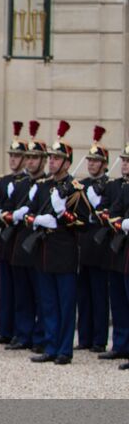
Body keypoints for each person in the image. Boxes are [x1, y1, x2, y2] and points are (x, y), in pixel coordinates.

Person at [26, 122, 94, 365]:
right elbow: (27, 214)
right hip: (44, 253)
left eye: (57, 158)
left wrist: (62, 215)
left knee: (65, 304)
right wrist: (37, 219)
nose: (52, 162)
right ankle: (51, 345)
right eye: (51, 158)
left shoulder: (75, 190)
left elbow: (85, 223)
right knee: (48, 303)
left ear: (67, 163)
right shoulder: (43, 187)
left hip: (65, 254)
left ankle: (64, 349)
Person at [0, 121, 28, 346]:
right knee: (6, 288)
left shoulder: (30, 182)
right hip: (6, 238)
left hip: (20, 239)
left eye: (17, 156)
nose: (13, 159)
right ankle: (5, 329)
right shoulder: (4, 181)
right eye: (11, 155)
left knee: (21, 289)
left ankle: (21, 332)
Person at [7, 120, 47, 351]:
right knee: (22, 294)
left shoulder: (46, 185)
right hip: (21, 245)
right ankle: (23, 334)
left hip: (39, 246)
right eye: (28, 157)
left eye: (34, 158)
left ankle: (40, 337)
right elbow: (10, 210)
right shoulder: (20, 184)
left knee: (41, 295)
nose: (30, 161)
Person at [75, 126, 111, 353]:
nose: (91, 164)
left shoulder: (108, 185)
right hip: (82, 244)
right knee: (84, 295)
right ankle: (85, 337)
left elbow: (109, 214)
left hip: (100, 247)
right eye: (89, 160)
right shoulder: (84, 185)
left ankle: (99, 339)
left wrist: (99, 203)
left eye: (96, 161)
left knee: (99, 295)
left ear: (104, 164)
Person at [104, 141, 129, 369]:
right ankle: (121, 345)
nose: (126, 164)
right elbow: (114, 212)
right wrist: (122, 222)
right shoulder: (125, 188)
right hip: (122, 252)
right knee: (120, 302)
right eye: (125, 160)